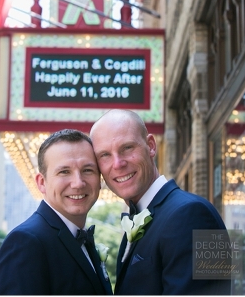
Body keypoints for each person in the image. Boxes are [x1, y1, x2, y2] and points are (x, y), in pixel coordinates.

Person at [89, 109, 230, 295]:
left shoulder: (194, 214)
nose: (117, 164)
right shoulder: (141, 214)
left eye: (127, 148)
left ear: (151, 146)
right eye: (105, 155)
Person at [0, 129, 112, 295]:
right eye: (64, 172)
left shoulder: (81, 238)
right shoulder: (25, 243)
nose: (78, 183)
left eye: (87, 170)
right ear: (42, 183)